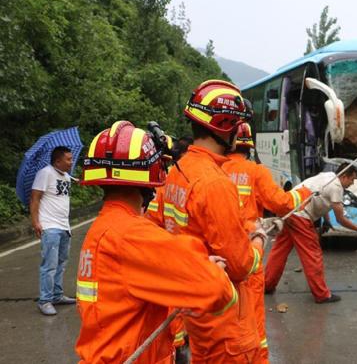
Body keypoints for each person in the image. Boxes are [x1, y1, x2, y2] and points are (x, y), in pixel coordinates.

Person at [75, 120, 236, 363]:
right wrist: (206, 269)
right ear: (151, 174)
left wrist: (191, 267)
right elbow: (215, 290)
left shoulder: (102, 229)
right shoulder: (131, 235)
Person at [147, 80, 266, 363]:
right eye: (237, 125)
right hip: (227, 325)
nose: (240, 132)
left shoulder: (177, 172)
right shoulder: (214, 183)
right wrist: (258, 242)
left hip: (199, 317)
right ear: (226, 126)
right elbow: (239, 266)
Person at [221, 122, 312, 362]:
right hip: (249, 251)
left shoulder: (213, 169)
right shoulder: (255, 171)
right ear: (249, 146)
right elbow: (281, 203)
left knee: (224, 321)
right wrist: (305, 192)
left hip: (218, 257)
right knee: (253, 319)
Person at [264, 163, 357, 303]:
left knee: (280, 250)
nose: (352, 184)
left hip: (288, 208)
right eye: (352, 179)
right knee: (312, 254)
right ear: (344, 176)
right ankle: (321, 294)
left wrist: (326, 220)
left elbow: (321, 198)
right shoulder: (337, 187)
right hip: (300, 215)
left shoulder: (327, 176)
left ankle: (267, 285)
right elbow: (340, 219)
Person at [30, 146, 75, 316]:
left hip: (65, 226)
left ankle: (57, 295)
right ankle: (45, 300)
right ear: (57, 161)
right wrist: (36, 222)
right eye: (68, 159)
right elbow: (35, 197)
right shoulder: (45, 173)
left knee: (61, 263)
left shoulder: (67, 176)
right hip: (50, 226)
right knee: (49, 265)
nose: (71, 162)